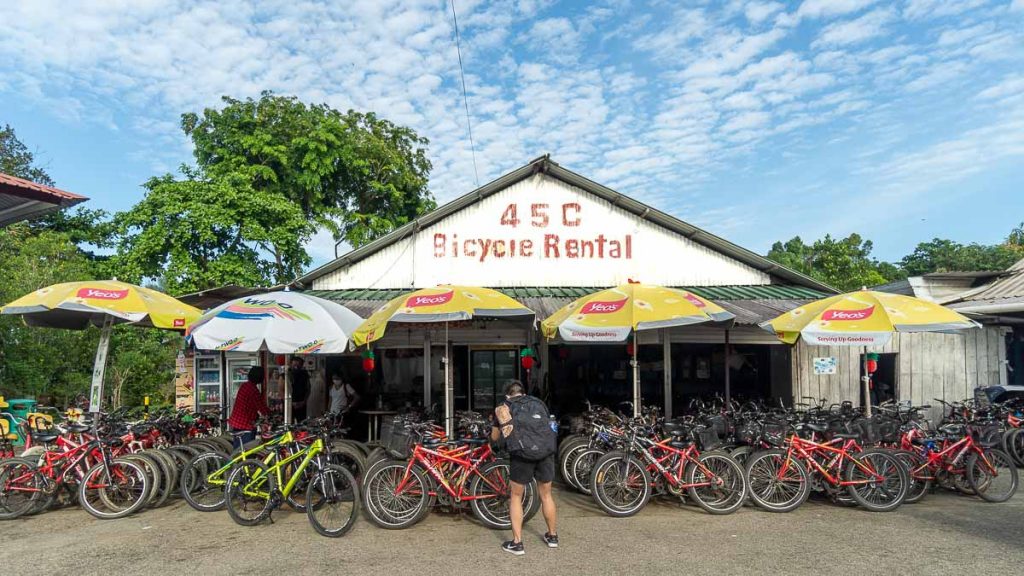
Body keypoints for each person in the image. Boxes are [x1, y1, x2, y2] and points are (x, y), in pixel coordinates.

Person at [491, 380, 558, 556]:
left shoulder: (504, 407)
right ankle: (552, 536)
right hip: (545, 453)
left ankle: (517, 543)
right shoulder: (538, 403)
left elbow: (495, 436)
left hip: (521, 455)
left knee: (516, 496)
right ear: (523, 392)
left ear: (507, 395)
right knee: (546, 495)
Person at [228, 365, 270, 448]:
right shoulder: (254, 390)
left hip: (236, 421)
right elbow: (261, 407)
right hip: (245, 424)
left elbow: (249, 405)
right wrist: (270, 413)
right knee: (247, 449)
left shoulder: (244, 385)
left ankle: (235, 459)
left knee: (238, 448)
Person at [289, 356, 310, 422]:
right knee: (289, 424)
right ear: (290, 364)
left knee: (302, 425)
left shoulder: (304, 374)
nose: (296, 367)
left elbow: (308, 388)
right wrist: (290, 402)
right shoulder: (286, 374)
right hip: (289, 404)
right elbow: (281, 390)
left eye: (299, 365)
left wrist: (304, 401)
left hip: (301, 403)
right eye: (294, 365)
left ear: (301, 365)